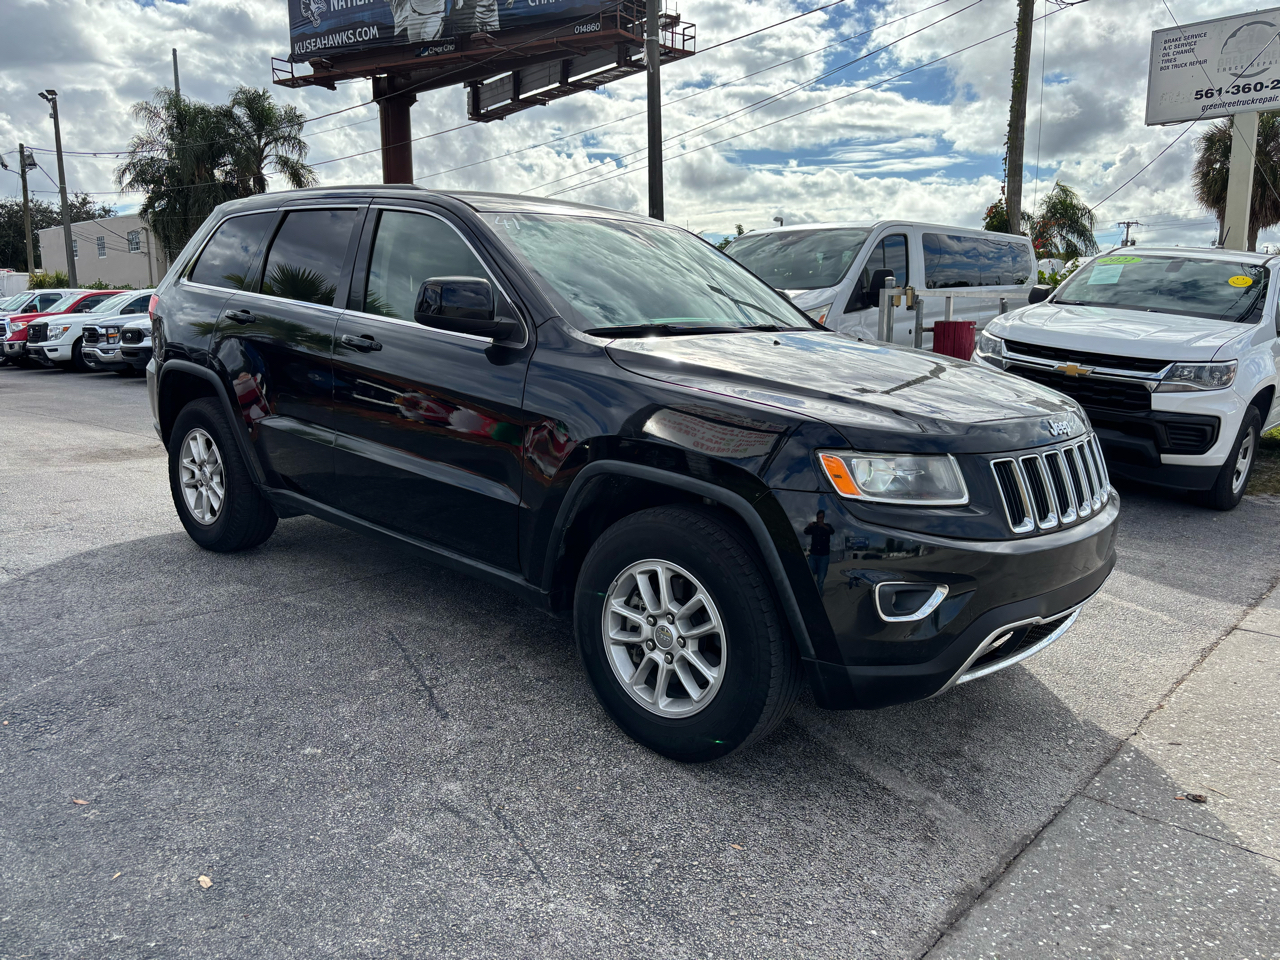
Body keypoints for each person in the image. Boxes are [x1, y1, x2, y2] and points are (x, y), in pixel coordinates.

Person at [804, 510, 835, 594]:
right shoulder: (814, 526)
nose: (819, 520)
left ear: (823, 518)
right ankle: (809, 592)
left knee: (820, 579)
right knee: (810, 572)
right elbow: (805, 532)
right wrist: (808, 526)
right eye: (818, 518)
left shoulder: (827, 526)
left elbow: (832, 531)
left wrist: (823, 526)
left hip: (823, 556)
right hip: (813, 554)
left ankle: (819, 595)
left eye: (821, 518)